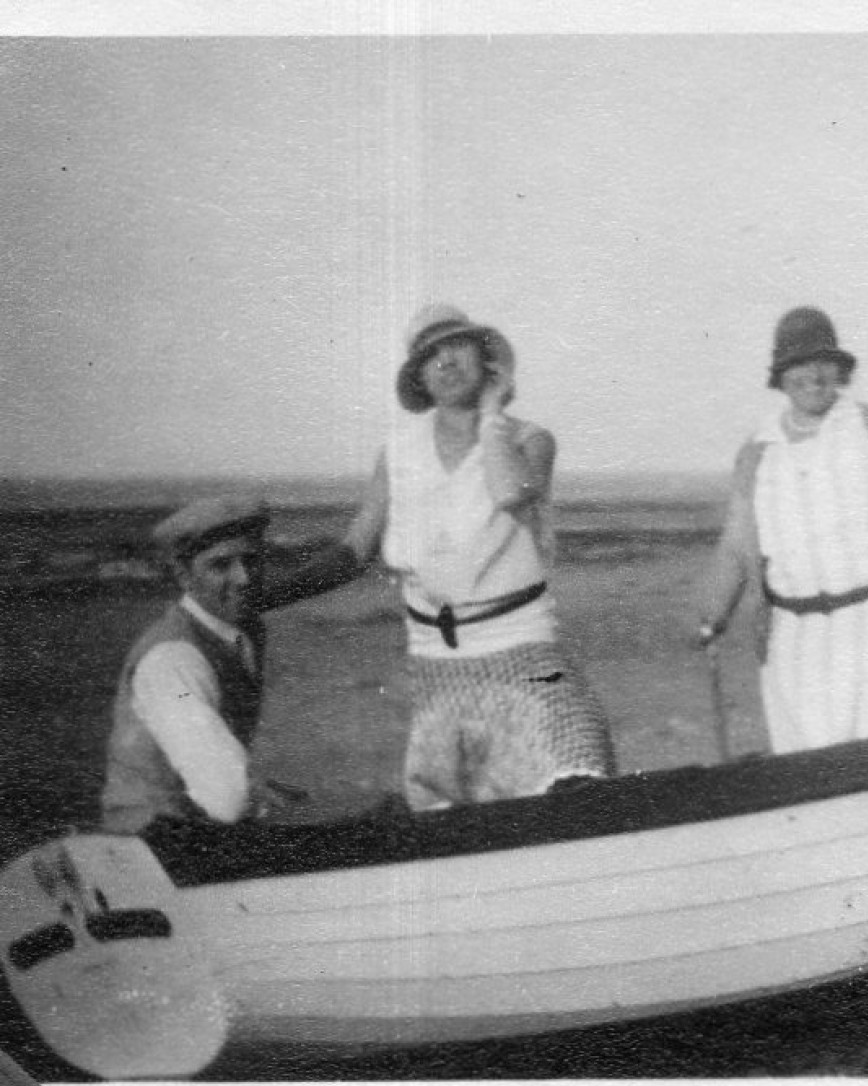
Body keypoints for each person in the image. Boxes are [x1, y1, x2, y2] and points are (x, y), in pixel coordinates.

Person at [317, 304, 615, 809]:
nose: (446, 361)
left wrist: (493, 414)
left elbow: (510, 491)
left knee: (577, 779)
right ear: (419, 377)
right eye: (430, 355)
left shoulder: (529, 439)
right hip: (434, 666)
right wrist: (261, 593)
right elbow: (352, 551)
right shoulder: (397, 451)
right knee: (445, 815)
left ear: (487, 360)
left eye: (457, 345)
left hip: (522, 648)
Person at [696, 306, 868, 755]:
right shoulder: (757, 452)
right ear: (781, 376)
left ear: (840, 370)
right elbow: (737, 548)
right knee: (810, 775)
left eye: (824, 362)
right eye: (799, 364)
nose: (813, 374)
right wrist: (709, 617)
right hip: (794, 647)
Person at [100, 496, 298, 833]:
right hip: (152, 848)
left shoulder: (232, 627)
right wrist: (252, 792)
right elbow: (228, 800)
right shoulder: (172, 660)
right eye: (220, 565)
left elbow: (339, 566)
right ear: (183, 576)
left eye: (251, 561)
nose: (244, 578)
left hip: (191, 832)